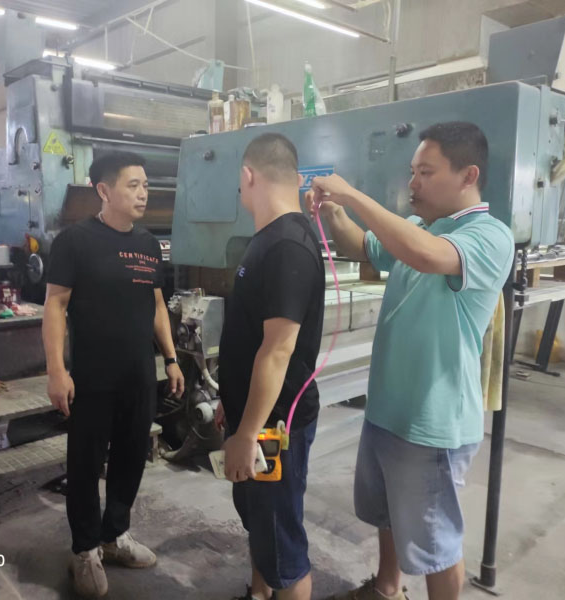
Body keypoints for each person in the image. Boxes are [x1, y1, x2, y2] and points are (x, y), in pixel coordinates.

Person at [308, 122, 514, 600]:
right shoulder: (420, 227)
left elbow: (426, 256)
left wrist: (353, 194)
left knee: (436, 543)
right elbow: (363, 246)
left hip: (431, 420)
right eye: (412, 171)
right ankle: (387, 588)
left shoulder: (489, 236)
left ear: (468, 176)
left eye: (426, 172)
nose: (412, 183)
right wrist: (335, 211)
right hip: (388, 408)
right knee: (388, 515)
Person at [42, 151, 184, 599]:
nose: (143, 194)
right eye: (132, 185)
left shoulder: (148, 244)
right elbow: (55, 305)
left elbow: (156, 305)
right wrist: (57, 370)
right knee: (85, 463)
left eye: (146, 185)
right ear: (104, 190)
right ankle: (84, 549)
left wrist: (171, 358)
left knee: (130, 456)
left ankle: (114, 534)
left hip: (138, 373)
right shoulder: (75, 241)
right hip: (92, 375)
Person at [216, 133, 326, 600]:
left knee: (283, 547)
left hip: (274, 426)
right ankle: (259, 594)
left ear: (248, 176)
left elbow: (278, 351)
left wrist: (247, 434)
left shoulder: (286, 247)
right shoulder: (270, 239)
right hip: (256, 417)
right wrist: (233, 406)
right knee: (261, 525)